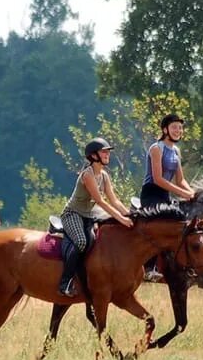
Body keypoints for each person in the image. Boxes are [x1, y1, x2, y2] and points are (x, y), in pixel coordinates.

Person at [58, 137, 133, 297]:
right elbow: (100, 201)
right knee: (81, 241)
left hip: (89, 215)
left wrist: (130, 214)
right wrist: (121, 219)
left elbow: (114, 200)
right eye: (103, 152)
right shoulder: (87, 175)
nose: (107, 154)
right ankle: (65, 282)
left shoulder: (104, 175)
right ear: (93, 156)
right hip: (72, 214)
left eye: (108, 152)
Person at [140, 113, 195, 281]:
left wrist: (193, 192)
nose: (178, 130)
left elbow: (181, 180)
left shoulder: (176, 151)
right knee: (160, 226)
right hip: (151, 193)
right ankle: (149, 268)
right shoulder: (156, 148)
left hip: (165, 194)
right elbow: (158, 179)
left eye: (180, 127)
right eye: (174, 127)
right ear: (165, 130)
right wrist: (183, 193)